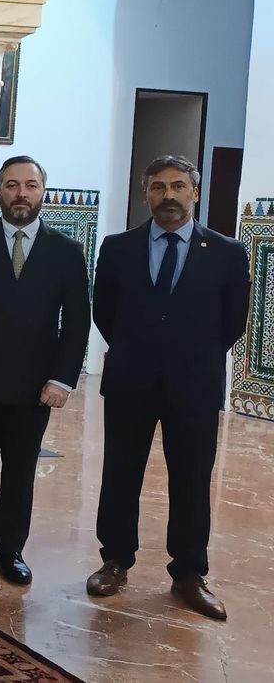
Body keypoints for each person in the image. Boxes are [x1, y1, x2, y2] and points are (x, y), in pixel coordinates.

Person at [86, 155, 250, 621]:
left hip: (194, 385)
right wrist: (139, 351)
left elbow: (233, 322)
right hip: (130, 381)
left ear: (195, 193)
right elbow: (104, 312)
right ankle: (115, 561)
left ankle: (189, 573)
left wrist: (189, 356)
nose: (169, 196)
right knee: (121, 473)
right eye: (158, 187)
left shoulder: (227, 252)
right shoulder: (118, 248)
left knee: (193, 479)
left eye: (178, 186)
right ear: (146, 195)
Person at [0, 156, 89, 585]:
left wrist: (62, 379)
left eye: (30, 185)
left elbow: (77, 321)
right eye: (11, 185)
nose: (21, 194)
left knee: (21, 471)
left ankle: (11, 551)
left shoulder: (66, 251)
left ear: (43, 192)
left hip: (35, 386)